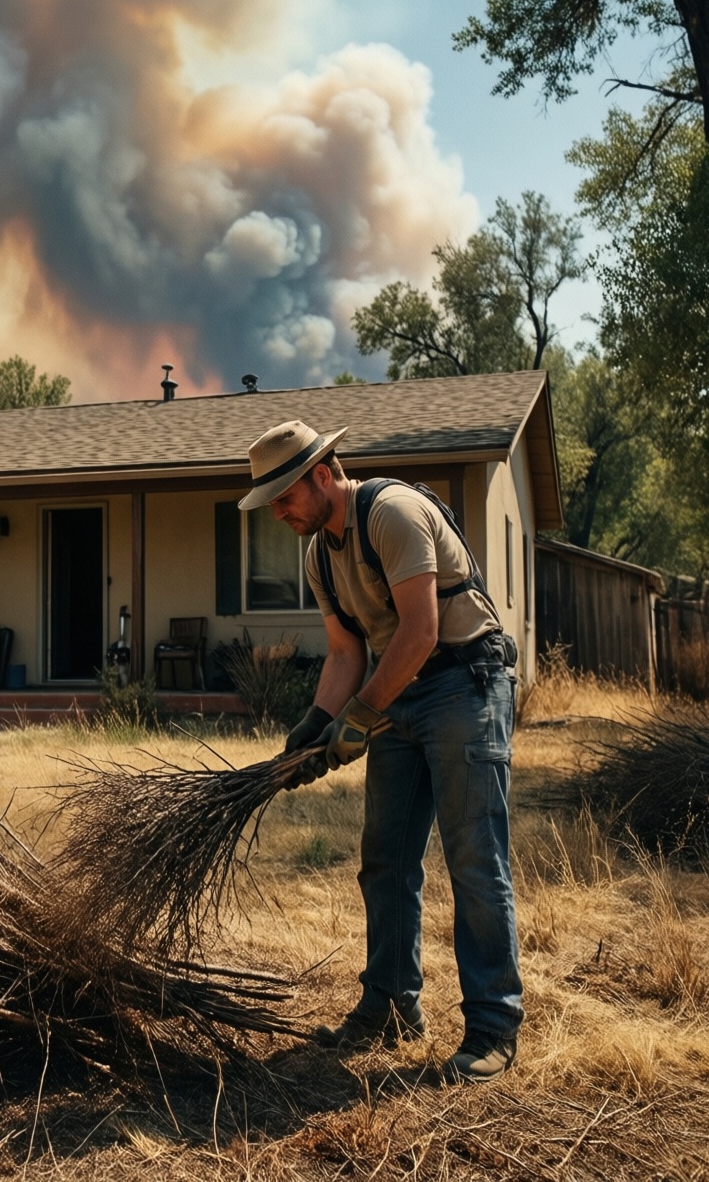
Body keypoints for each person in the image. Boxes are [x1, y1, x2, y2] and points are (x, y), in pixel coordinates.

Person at [240, 419, 522, 1083]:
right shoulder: (319, 555)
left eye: (284, 497)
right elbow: (347, 652)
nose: (278, 513)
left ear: (321, 475)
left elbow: (421, 630)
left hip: (463, 682)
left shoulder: (391, 513)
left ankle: (493, 1025)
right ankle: (391, 1006)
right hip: (400, 693)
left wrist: (360, 718)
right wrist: (316, 723)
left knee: (473, 858)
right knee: (386, 858)